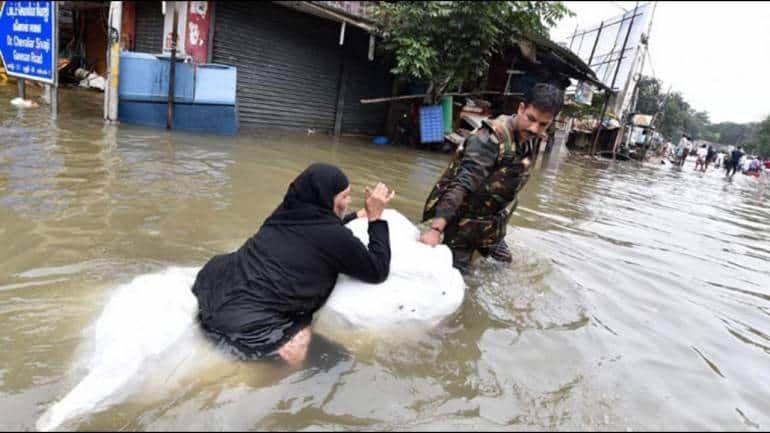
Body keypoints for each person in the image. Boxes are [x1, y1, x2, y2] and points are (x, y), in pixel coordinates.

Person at [191, 163, 395, 366]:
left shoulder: (288, 211)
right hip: (249, 326)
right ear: (326, 200)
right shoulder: (333, 237)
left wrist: (354, 216)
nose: (349, 201)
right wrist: (375, 218)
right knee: (339, 362)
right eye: (344, 196)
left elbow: (316, 230)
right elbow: (377, 269)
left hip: (219, 290)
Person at [418, 83, 563, 273]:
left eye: (543, 124)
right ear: (520, 108)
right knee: (461, 278)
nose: (535, 128)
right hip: (463, 226)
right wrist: (435, 231)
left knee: (504, 265)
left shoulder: (526, 140)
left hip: (490, 224)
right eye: (531, 119)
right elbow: (461, 185)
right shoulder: (489, 139)